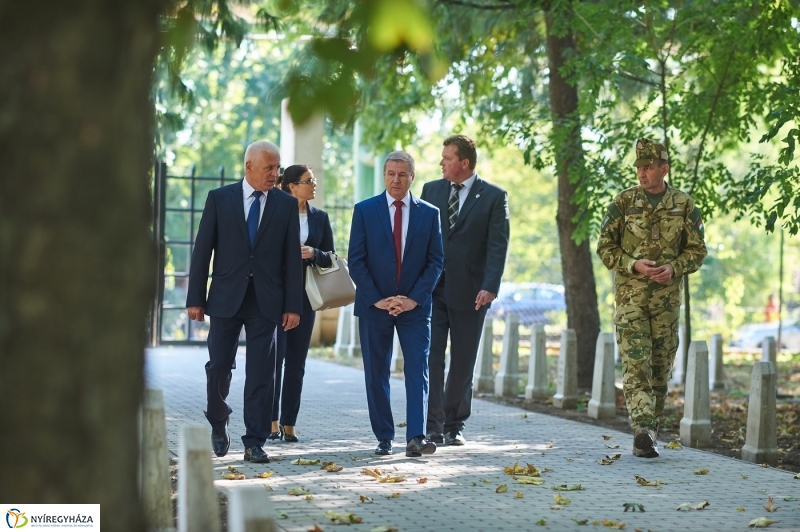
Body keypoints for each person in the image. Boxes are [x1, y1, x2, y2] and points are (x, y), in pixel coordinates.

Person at [186, 140, 303, 463]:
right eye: (269, 168)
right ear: (249, 166)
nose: (275, 174)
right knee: (220, 366)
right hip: (225, 298)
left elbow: (292, 259)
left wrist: (293, 305)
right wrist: (195, 297)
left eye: (278, 167)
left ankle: (254, 440)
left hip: (267, 301)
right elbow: (202, 252)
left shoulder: (284, 205)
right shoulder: (219, 199)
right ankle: (218, 418)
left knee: (262, 373)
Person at [596, 137, 707, 459]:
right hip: (630, 298)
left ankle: (651, 431)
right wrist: (632, 264)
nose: (642, 173)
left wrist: (675, 267)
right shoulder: (623, 202)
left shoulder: (683, 204)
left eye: (648, 167)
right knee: (636, 363)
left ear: (664, 169)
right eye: (639, 168)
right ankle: (642, 427)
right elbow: (605, 247)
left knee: (660, 367)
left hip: (667, 302)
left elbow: (698, 250)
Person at [348, 150, 444, 457]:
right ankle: (384, 437)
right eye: (391, 173)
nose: (396, 179)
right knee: (377, 372)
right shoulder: (364, 210)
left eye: (402, 174)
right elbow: (356, 260)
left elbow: (436, 261)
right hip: (374, 307)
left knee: (418, 371)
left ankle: (416, 436)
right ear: (384, 175)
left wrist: (413, 299)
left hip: (414, 309)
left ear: (412, 177)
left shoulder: (429, 214)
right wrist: (377, 299)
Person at [421, 134, 509, 446]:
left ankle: (454, 424)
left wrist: (490, 287)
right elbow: (421, 238)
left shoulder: (494, 197)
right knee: (431, 360)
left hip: (472, 294)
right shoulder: (431, 190)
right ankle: (432, 425)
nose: (441, 163)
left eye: (447, 158)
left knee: (462, 362)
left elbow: (498, 246)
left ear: (464, 163)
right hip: (432, 290)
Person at [269, 165, 335, 443]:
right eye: (308, 181)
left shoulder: (320, 217)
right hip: (276, 295)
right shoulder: (275, 212)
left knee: (297, 362)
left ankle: (289, 423)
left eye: (314, 180)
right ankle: (270, 423)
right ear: (292, 186)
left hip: (306, 296)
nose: (314, 184)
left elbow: (331, 256)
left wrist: (314, 252)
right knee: (274, 362)